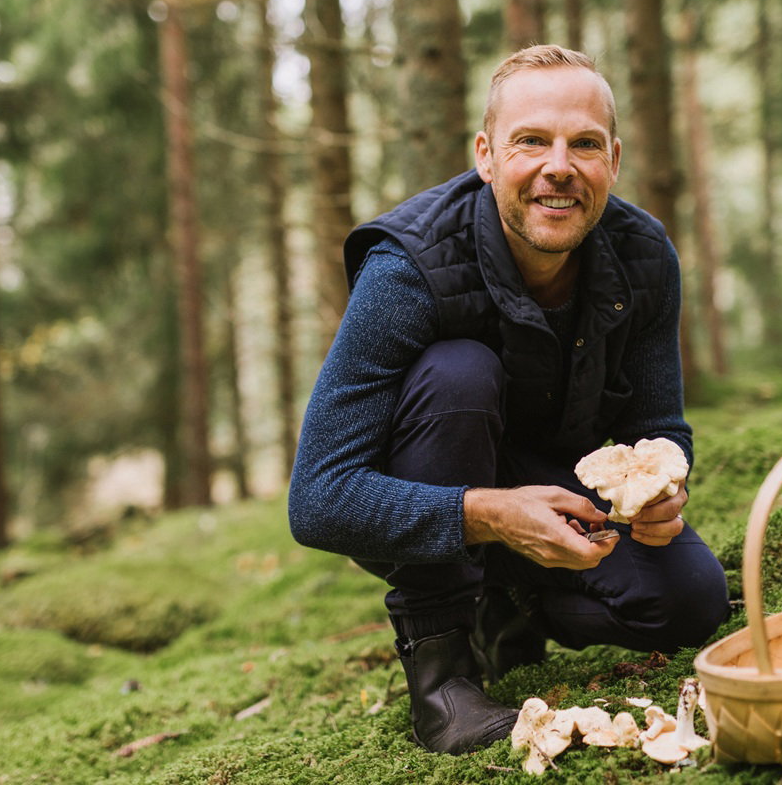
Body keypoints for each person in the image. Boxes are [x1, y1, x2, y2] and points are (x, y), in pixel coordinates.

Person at [288, 44, 730, 755]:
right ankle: (442, 672)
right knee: (458, 372)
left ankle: (507, 608)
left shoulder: (644, 255)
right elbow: (317, 499)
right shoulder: (407, 267)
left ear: (612, 161)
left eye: (583, 144)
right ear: (487, 155)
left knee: (692, 602)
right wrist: (490, 513)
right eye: (532, 141)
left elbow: (658, 424)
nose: (560, 166)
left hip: (560, 495)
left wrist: (666, 482)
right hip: (434, 490)